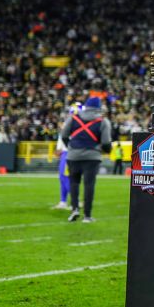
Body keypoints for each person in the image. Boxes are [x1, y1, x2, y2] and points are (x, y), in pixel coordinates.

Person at [59, 95, 112, 223]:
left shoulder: (73, 118)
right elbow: (106, 143)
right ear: (99, 108)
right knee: (89, 185)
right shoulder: (103, 121)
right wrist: (106, 150)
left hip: (73, 156)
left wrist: (71, 148)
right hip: (92, 157)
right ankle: (87, 216)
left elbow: (64, 135)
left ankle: (74, 210)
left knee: (74, 183)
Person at [54, 134, 71, 210]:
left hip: (68, 153)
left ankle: (74, 201)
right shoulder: (64, 130)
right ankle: (63, 201)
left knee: (66, 178)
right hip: (64, 153)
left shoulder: (72, 128)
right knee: (62, 178)